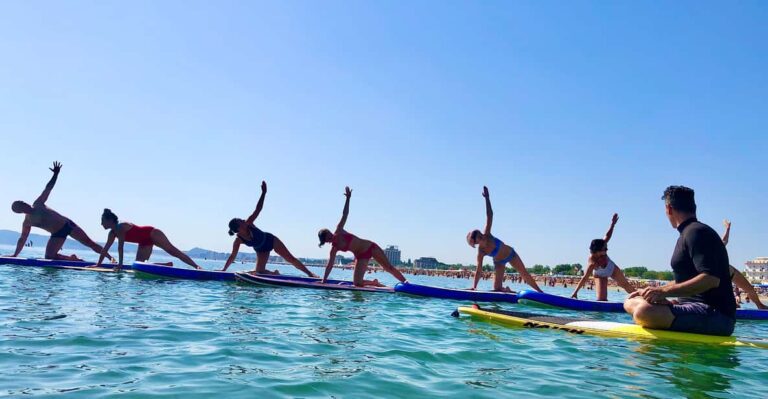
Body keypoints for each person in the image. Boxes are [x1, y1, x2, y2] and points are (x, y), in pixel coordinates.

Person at [624, 186, 736, 336]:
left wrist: (664, 291)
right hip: (689, 307)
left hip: (717, 316)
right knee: (631, 301)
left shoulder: (697, 232)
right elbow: (683, 281)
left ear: (669, 209)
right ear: (693, 207)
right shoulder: (688, 233)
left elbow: (711, 279)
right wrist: (651, 293)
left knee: (644, 311)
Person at [7, 162, 113, 262]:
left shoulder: (38, 203)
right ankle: (72, 259)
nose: (23, 203)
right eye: (20, 204)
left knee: (89, 243)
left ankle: (111, 259)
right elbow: (23, 239)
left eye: (22, 201)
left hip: (68, 225)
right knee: (49, 257)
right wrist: (15, 255)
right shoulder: (27, 222)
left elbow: (48, 188)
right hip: (57, 233)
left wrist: (55, 174)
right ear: (20, 211)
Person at [221, 181, 317, 277]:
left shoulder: (249, 222)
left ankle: (310, 274)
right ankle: (275, 273)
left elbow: (258, 209)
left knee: (290, 258)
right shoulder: (238, 241)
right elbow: (233, 256)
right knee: (259, 272)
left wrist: (263, 193)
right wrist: (224, 269)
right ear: (238, 229)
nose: (243, 220)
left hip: (270, 240)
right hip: (261, 249)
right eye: (240, 221)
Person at [318, 187, 407, 287]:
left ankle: (406, 283)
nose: (332, 237)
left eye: (330, 235)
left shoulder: (339, 230)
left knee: (387, 267)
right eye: (329, 239)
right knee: (357, 283)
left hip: (370, 247)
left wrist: (348, 198)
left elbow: (345, 214)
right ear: (326, 241)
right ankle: (374, 283)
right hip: (361, 256)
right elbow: (330, 265)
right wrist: (324, 280)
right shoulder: (334, 249)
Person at [466, 186, 542, 293]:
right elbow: (479, 270)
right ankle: (509, 291)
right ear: (475, 243)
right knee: (497, 289)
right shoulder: (481, 252)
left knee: (524, 273)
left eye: (479, 233)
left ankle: (541, 293)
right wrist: (474, 287)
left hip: (511, 254)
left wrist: (487, 198)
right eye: (477, 237)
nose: (480, 235)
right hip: (499, 262)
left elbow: (490, 215)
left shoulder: (487, 234)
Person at [95, 209, 201, 270]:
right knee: (139, 266)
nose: (101, 224)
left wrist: (120, 265)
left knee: (173, 251)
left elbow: (120, 248)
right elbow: (105, 249)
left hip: (152, 233)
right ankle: (166, 265)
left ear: (109, 220)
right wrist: (98, 264)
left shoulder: (120, 227)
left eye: (103, 221)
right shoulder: (112, 233)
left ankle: (196, 266)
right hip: (144, 242)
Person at [571, 213, 634, 300]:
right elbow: (584, 278)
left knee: (626, 285)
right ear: (597, 251)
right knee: (602, 299)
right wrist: (575, 293)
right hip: (599, 275)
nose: (606, 250)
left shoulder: (602, 245)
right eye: (605, 249)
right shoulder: (592, 262)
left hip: (611, 268)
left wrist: (612, 224)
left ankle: (642, 299)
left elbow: (607, 236)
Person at [721, 219, 766, 309]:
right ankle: (734, 305)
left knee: (749, 288)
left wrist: (728, 229)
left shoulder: (712, 246)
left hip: (728, 270)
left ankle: (760, 305)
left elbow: (724, 241)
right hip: (719, 272)